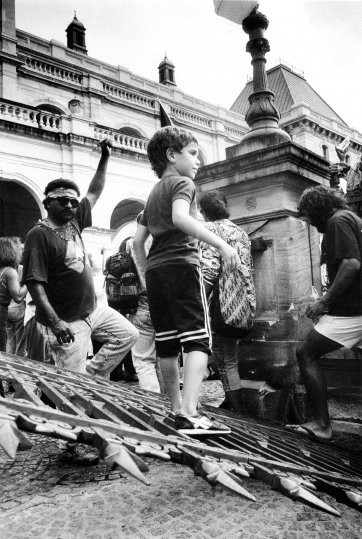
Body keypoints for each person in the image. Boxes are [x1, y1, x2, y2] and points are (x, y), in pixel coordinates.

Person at [134, 126, 240, 434]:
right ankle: (192, 413)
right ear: (171, 155)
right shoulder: (183, 183)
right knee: (197, 340)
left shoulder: (152, 194)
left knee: (166, 343)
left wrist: (146, 273)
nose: (197, 162)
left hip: (156, 271)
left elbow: (137, 242)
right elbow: (182, 218)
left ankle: (177, 409)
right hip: (182, 264)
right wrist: (221, 244)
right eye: (192, 154)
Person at [22, 139, 138, 376]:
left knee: (128, 334)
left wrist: (104, 157)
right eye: (62, 200)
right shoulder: (39, 235)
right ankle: (76, 389)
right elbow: (35, 284)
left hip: (92, 311)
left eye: (73, 201)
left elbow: (95, 191)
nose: (69, 205)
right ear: (47, 203)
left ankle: (90, 374)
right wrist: (55, 322)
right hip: (67, 321)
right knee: (71, 387)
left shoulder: (74, 221)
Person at [289, 185, 362, 441]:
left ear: (319, 209)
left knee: (305, 352)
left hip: (353, 313)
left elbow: (352, 264)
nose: (308, 222)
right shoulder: (350, 217)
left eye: (308, 216)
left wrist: (324, 302)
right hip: (352, 310)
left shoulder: (337, 221)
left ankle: (321, 424)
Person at [199, 190, 256, 414]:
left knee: (224, 358)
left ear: (203, 212)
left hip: (220, 305)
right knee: (225, 355)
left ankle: (238, 410)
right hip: (241, 303)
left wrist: (199, 302)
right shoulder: (240, 231)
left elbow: (210, 271)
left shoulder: (208, 230)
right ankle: (229, 399)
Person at [129, 212, 165, 393]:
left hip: (141, 305)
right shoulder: (165, 242)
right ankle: (170, 401)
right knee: (166, 356)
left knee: (143, 360)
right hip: (166, 304)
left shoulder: (131, 243)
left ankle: (153, 403)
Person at [0, 237, 27, 352]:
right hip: (2, 311)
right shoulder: (9, 272)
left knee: (7, 342)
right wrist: (31, 281)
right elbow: (18, 297)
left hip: (5, 311)